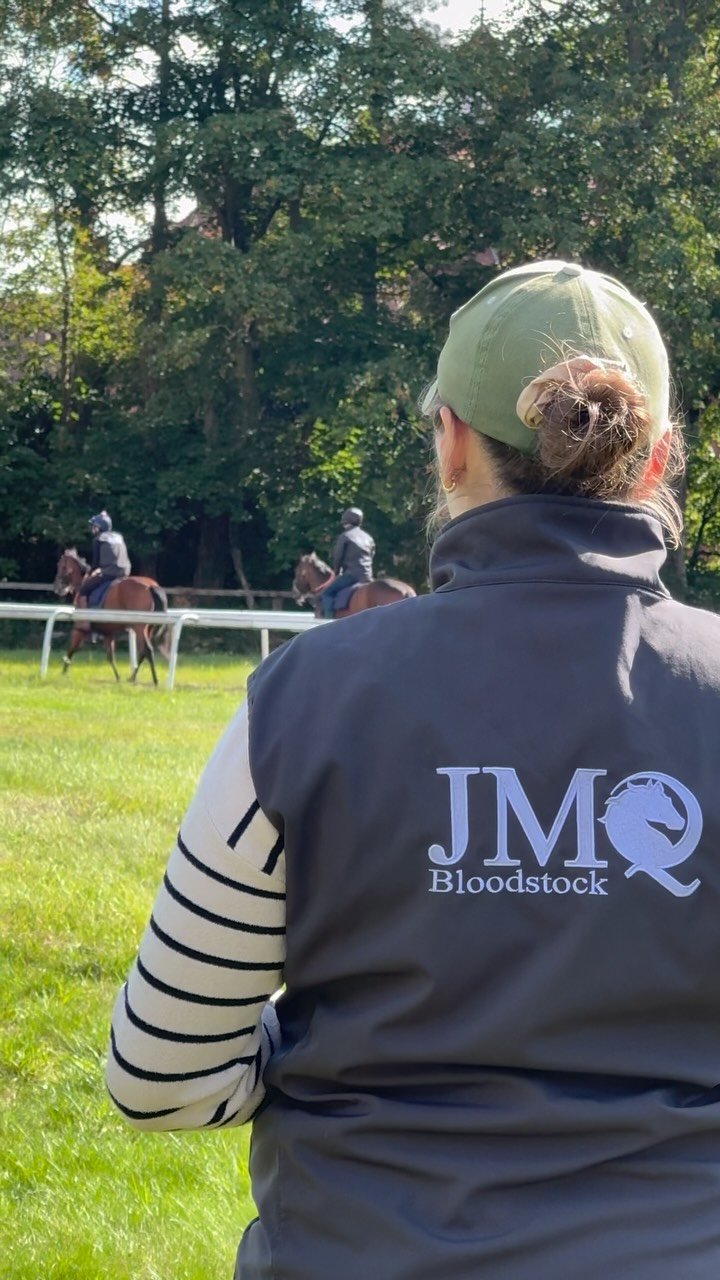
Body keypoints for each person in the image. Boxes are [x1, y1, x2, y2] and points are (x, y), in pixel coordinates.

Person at [106, 261, 720, 1280]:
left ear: (450, 444)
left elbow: (160, 1077)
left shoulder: (300, 698)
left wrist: (339, 1061)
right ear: (656, 459)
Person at [74, 511, 131, 628]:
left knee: (84, 590)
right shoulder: (119, 537)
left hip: (109, 573)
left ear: (100, 527)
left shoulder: (98, 539)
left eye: (94, 526)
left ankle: (84, 622)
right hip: (126, 571)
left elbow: (95, 564)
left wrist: (89, 571)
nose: (92, 529)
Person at [319, 506, 375, 617]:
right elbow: (371, 556)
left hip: (351, 576)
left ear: (345, 520)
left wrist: (336, 573)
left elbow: (338, 557)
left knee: (327, 593)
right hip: (367, 576)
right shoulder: (369, 538)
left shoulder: (345, 536)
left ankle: (328, 620)